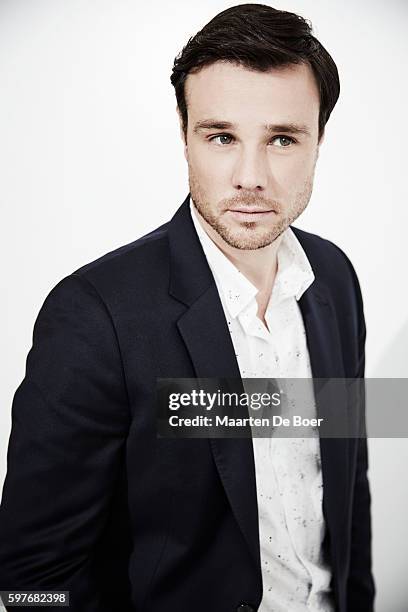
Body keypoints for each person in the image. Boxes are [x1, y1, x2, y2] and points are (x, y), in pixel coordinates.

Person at [0, 4, 375, 611]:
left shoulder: (334, 279)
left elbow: (347, 477)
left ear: (319, 141)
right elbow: (31, 577)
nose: (250, 177)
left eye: (281, 138)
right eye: (222, 137)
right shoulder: (94, 315)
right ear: (184, 136)